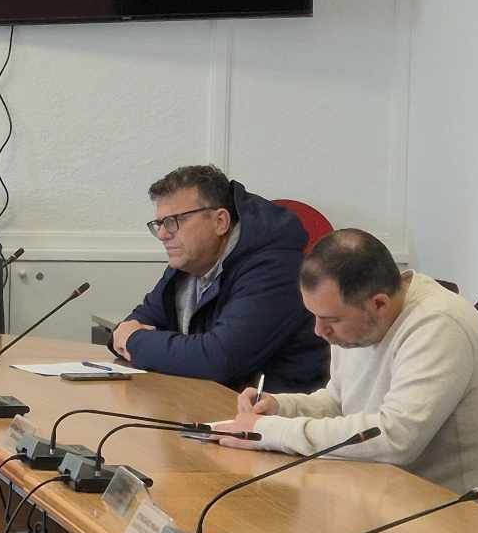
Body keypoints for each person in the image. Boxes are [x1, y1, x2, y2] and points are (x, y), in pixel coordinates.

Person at [219, 229, 478, 494]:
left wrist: (271, 431)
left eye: (331, 320)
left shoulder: (440, 324)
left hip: (466, 516)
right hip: (390, 495)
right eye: (315, 316)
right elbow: (339, 403)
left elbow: (395, 439)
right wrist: (281, 408)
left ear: (379, 303)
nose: (319, 331)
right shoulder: (361, 321)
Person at [112, 164, 327, 392]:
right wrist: (129, 337)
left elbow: (219, 359)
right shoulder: (188, 263)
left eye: (174, 221)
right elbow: (127, 328)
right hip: (207, 398)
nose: (163, 234)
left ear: (220, 222)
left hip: (273, 409)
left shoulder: (275, 269)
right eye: (159, 224)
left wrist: (134, 341)